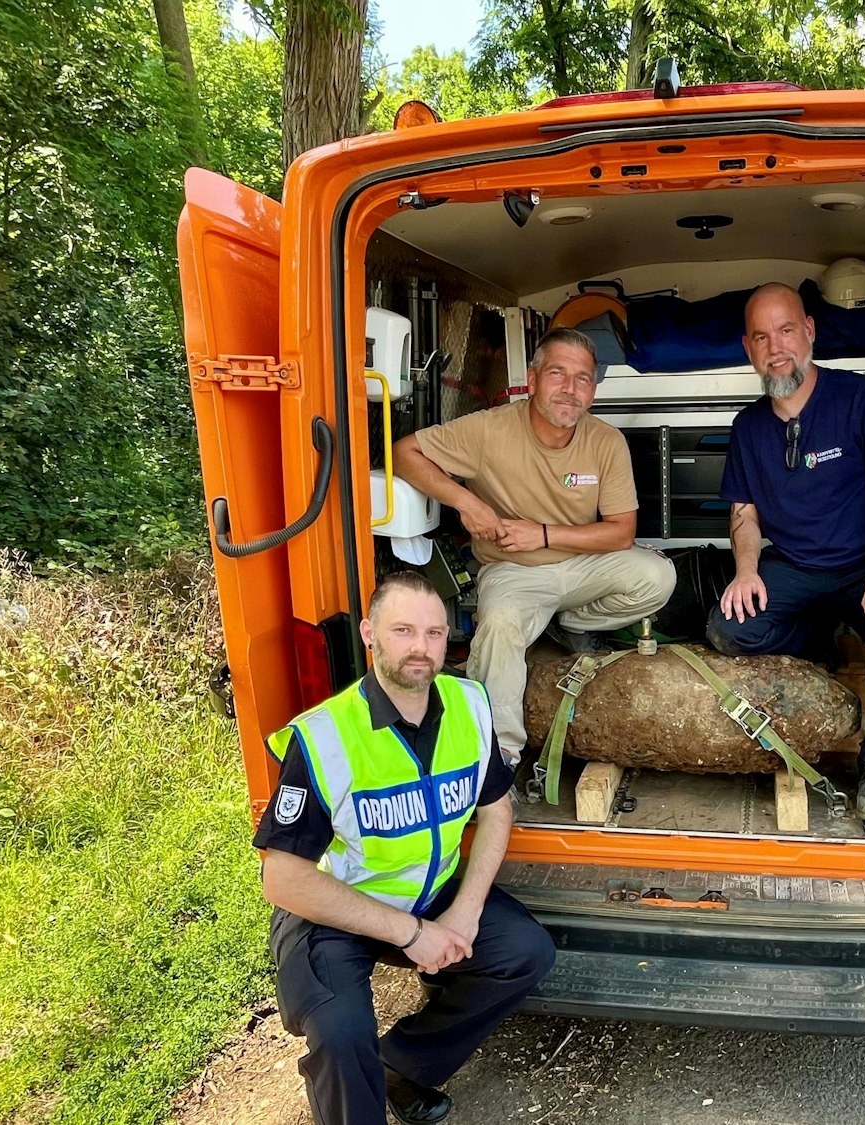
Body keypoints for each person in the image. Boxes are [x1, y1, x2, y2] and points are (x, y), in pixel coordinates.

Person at [254, 571, 555, 1125]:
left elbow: (496, 809)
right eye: (404, 631)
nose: (421, 648)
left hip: (429, 897)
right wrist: (412, 936)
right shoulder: (325, 737)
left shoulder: (468, 704)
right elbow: (285, 879)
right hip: (336, 913)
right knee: (342, 1035)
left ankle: (402, 1065)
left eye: (435, 633)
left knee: (524, 954)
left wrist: (463, 915)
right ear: (369, 634)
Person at [707, 282, 865, 822]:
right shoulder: (748, 426)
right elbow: (744, 513)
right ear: (749, 349)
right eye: (762, 337)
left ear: (809, 331)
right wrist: (745, 571)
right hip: (794, 570)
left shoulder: (860, 398)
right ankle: (821, 641)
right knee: (727, 628)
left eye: (787, 330)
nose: (776, 346)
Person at [395, 327, 675, 766]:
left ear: (594, 391)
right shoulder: (489, 430)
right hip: (513, 571)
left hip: (584, 566)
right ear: (532, 377)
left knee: (658, 576)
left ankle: (567, 622)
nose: (570, 388)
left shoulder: (606, 441)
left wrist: (542, 533)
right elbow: (405, 452)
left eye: (583, 378)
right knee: (502, 622)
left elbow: (621, 532)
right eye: (558, 373)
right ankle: (500, 752)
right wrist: (465, 501)